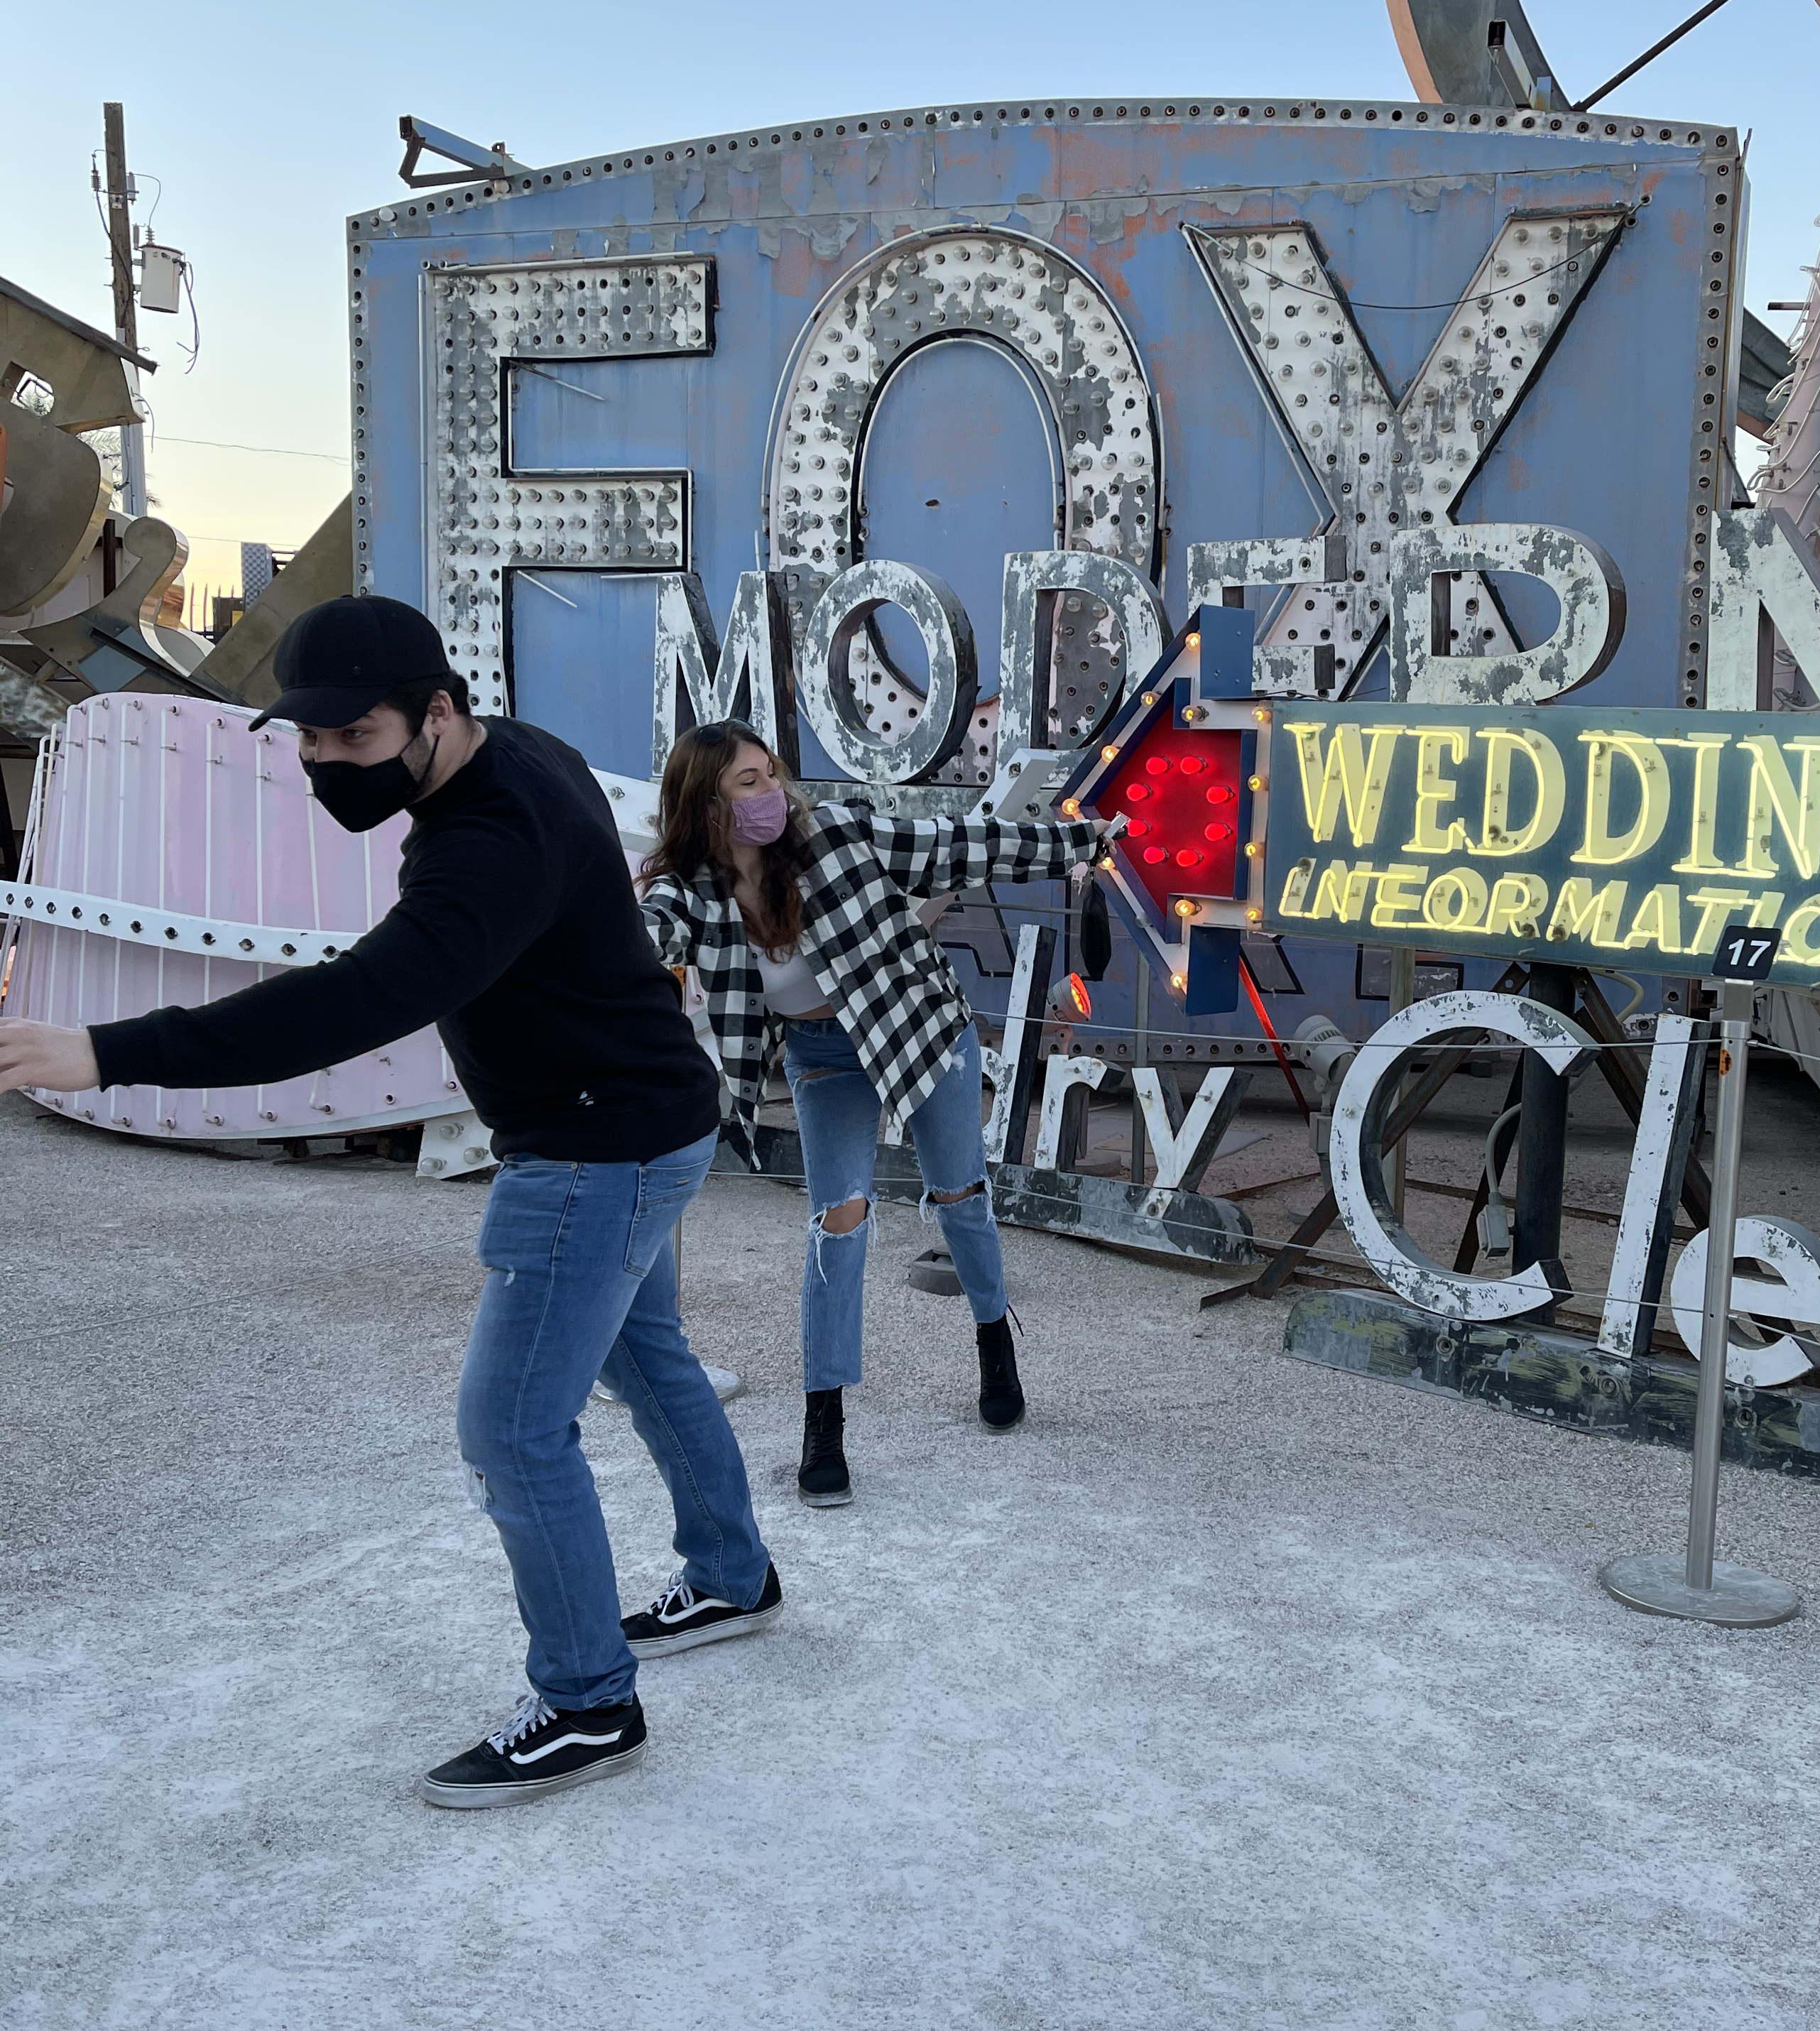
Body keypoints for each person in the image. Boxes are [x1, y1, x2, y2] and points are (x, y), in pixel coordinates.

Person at [0, 594, 779, 1810]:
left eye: (352, 740)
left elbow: (351, 1002)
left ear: (435, 713)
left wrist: (103, 1050)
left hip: (589, 1149)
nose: (326, 764)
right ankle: (732, 1571)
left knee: (514, 1430)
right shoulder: (523, 747)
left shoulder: (489, 837)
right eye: (307, 741)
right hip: (650, 1113)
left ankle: (586, 1699)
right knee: (648, 1355)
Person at [638, 720, 1118, 1508]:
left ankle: (994, 1338)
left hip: (923, 1028)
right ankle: (822, 1419)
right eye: (747, 784)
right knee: (838, 1221)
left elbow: (961, 846)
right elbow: (642, 938)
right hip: (824, 1056)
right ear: (706, 806)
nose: (772, 793)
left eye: (771, 774)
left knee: (960, 1194)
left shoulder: (836, 835)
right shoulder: (688, 891)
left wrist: (1079, 844)